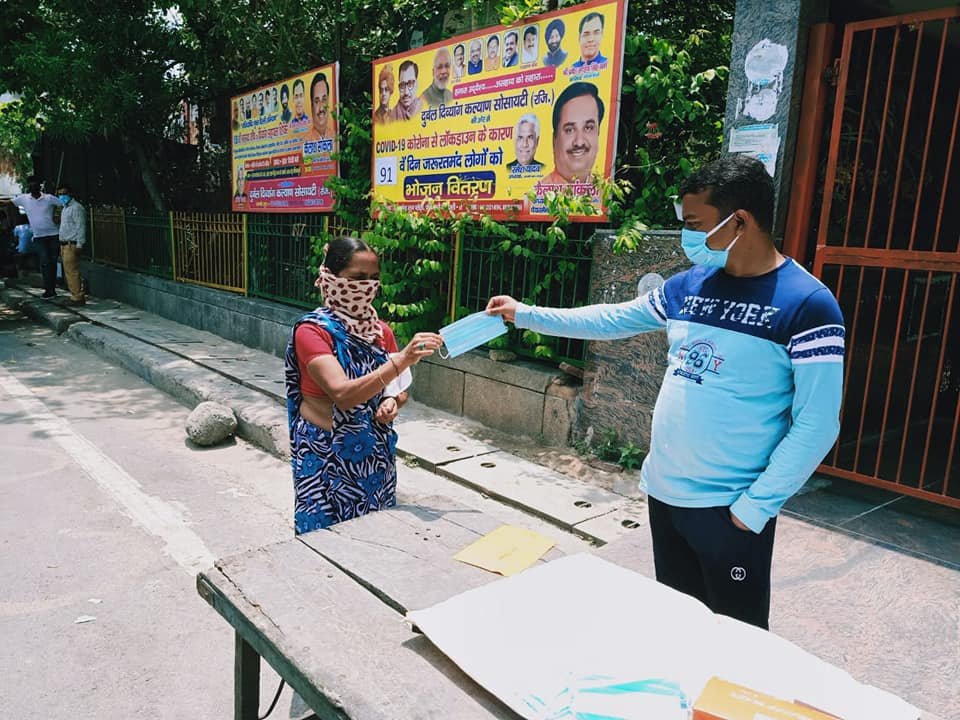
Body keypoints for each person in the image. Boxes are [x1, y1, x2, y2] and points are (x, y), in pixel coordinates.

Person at [486, 155, 845, 630]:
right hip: (665, 496)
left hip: (728, 511)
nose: (688, 236)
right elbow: (611, 319)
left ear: (740, 220)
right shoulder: (690, 285)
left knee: (737, 642)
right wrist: (526, 313)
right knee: (677, 627)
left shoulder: (807, 304)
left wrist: (753, 509)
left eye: (695, 224)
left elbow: (818, 423)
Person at [285, 236, 443, 533]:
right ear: (331, 278)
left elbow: (398, 387)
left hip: (372, 453)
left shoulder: (380, 331)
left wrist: (393, 402)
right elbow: (342, 395)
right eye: (357, 278)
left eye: (373, 279)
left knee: (375, 532)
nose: (367, 287)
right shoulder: (312, 331)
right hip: (324, 453)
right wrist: (402, 359)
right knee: (323, 539)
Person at [542, 82, 603, 185]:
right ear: (554, 140)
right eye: (569, 130)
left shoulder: (603, 192)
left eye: (588, 128)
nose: (579, 142)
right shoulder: (536, 198)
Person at [12, 177, 61, 298]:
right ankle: (48, 289)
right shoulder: (24, 199)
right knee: (45, 262)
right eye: (30, 185)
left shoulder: (49, 198)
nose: (32, 187)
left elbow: (63, 205)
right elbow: (8, 202)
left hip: (54, 235)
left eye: (34, 184)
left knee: (53, 262)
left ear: (40, 186)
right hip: (39, 237)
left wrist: (57, 214)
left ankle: (52, 288)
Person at [56, 183, 86, 306]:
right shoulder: (65, 208)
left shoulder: (77, 208)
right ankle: (75, 295)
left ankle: (77, 297)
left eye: (64, 193)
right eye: (60, 194)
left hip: (71, 244)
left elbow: (81, 226)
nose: (62, 196)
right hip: (64, 244)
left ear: (70, 194)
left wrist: (80, 244)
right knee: (68, 271)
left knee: (72, 271)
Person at [305, 72, 334, 141]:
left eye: (324, 100)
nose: (321, 108)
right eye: (317, 101)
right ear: (312, 107)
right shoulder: (306, 141)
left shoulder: (335, 136)